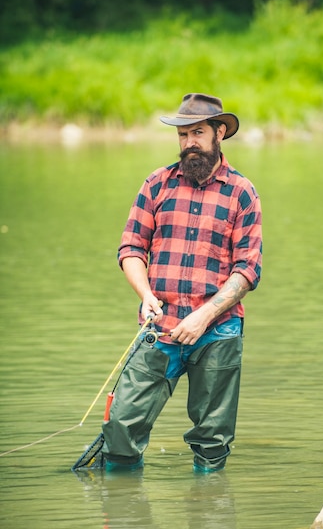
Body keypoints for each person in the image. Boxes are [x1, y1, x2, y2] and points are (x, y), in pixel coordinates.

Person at [102, 93, 262, 473]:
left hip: (218, 331)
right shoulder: (156, 185)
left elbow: (247, 270)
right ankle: (121, 508)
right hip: (160, 327)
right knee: (121, 428)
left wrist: (204, 316)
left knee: (213, 440)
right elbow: (131, 248)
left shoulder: (242, 192)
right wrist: (146, 295)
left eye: (198, 133)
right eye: (183, 134)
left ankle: (207, 508)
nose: (189, 142)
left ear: (219, 133)